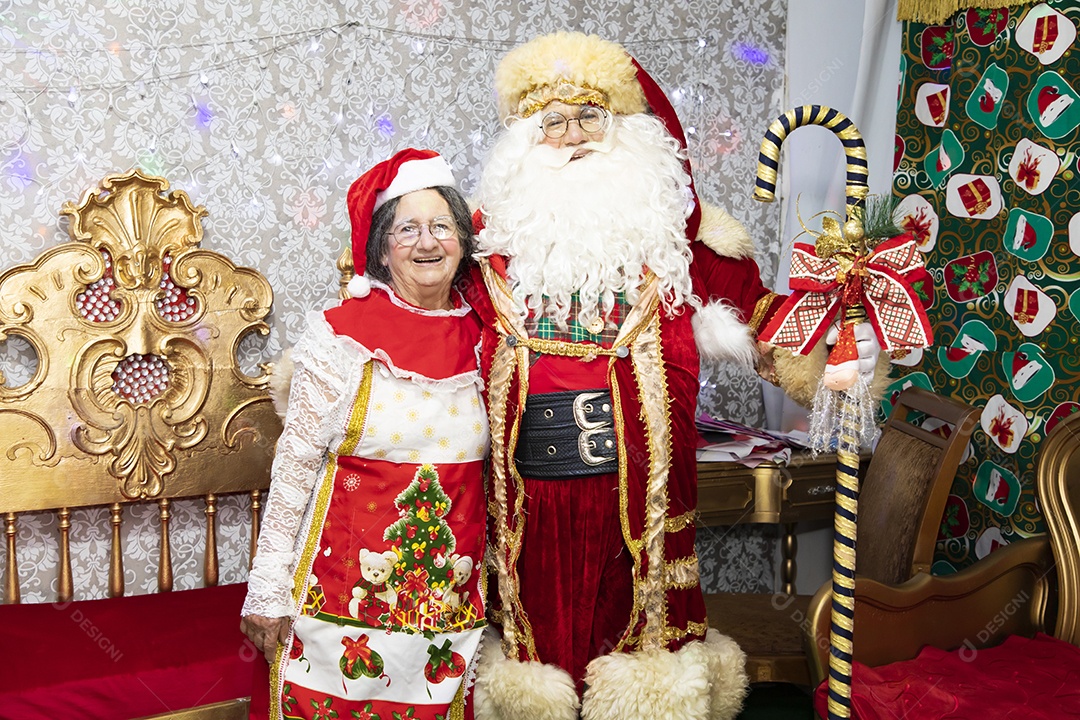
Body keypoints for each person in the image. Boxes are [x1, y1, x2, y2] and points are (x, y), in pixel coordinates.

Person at [466, 33, 886, 720]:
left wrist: (840, 353)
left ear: (627, 131)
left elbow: (765, 319)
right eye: (553, 121)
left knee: (642, 655)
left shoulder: (681, 244)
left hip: (641, 507)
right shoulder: (482, 245)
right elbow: (417, 326)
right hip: (525, 510)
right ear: (523, 141)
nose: (573, 136)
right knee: (531, 658)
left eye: (591, 116)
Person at [241, 149, 489, 720]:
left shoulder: (485, 340)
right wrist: (268, 588)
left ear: (462, 240)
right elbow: (296, 464)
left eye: (441, 227)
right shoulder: (340, 337)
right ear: (381, 247)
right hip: (339, 605)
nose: (427, 244)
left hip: (447, 611)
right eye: (407, 229)